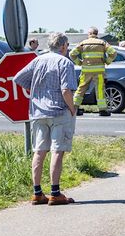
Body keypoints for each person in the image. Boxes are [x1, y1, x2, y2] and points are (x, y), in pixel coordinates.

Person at [13, 32, 78, 205]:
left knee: (39, 151)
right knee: (57, 150)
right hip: (59, 111)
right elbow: (66, 90)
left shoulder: (38, 60)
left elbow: (18, 78)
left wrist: (37, 91)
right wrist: (72, 108)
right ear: (63, 46)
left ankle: (37, 193)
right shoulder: (65, 62)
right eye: (67, 46)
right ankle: (55, 193)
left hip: (38, 111)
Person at [69, 27, 116, 117]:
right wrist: (107, 61)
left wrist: (79, 63)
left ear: (89, 34)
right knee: (100, 90)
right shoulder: (102, 43)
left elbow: (72, 54)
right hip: (99, 71)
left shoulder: (83, 43)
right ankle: (102, 110)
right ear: (96, 34)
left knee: (81, 89)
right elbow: (113, 53)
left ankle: (74, 108)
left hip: (86, 70)